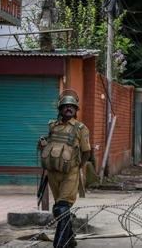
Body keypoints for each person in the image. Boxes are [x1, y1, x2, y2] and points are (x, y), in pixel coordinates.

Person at [38, 92, 91, 248]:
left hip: (70, 173)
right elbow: (51, 144)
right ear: (60, 109)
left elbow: (86, 151)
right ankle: (70, 239)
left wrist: (79, 167)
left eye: (72, 107)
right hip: (53, 173)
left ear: (76, 109)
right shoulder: (52, 126)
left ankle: (59, 244)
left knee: (62, 206)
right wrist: (42, 145)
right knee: (60, 208)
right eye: (66, 106)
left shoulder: (81, 128)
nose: (69, 109)